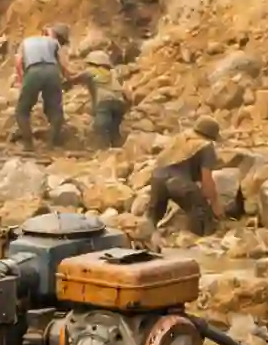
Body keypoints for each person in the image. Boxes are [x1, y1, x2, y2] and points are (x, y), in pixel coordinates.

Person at [140, 116, 224, 248]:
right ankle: (194, 244)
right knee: (200, 212)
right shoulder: (206, 146)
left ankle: (146, 242)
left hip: (157, 179)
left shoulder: (181, 138)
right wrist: (214, 204)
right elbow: (207, 180)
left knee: (153, 216)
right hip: (179, 183)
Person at [14, 23, 73, 149]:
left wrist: (21, 80)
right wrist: (68, 78)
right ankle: (50, 144)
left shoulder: (26, 42)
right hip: (52, 72)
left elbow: (18, 62)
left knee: (22, 111)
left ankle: (28, 145)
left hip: (33, 71)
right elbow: (62, 64)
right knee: (55, 110)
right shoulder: (54, 42)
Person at [66, 50, 128, 148]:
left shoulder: (90, 71)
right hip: (119, 103)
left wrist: (65, 74)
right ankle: (117, 149)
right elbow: (123, 88)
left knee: (100, 126)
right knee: (114, 129)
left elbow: (73, 80)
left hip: (104, 102)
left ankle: (102, 149)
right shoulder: (113, 73)